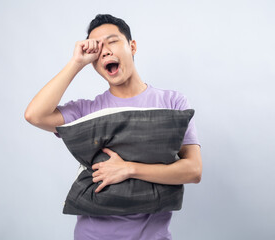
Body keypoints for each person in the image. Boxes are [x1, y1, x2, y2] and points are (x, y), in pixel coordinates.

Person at [24, 14, 202, 240]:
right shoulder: (86, 111)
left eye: (112, 41)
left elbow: (194, 170)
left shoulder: (173, 103)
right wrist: (76, 63)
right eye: (98, 48)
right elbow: (35, 115)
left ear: (132, 46)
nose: (106, 51)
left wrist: (128, 168)